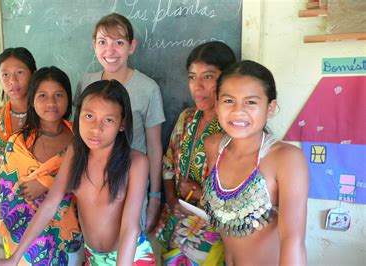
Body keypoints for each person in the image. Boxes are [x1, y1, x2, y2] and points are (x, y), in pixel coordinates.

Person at [0, 80, 156, 265]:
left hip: (130, 258)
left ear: (122, 124)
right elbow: (49, 205)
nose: (96, 128)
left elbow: (130, 227)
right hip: (92, 258)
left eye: (109, 120)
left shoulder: (136, 163)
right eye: (89, 116)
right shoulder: (75, 153)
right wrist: (12, 260)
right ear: (78, 116)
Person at [202, 60, 308, 265]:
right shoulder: (214, 146)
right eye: (228, 101)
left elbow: (292, 242)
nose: (238, 111)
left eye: (250, 102)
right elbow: (228, 205)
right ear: (216, 104)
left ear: (270, 107)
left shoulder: (286, 159)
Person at [75, 13, 165, 233]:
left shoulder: (147, 88)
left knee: (128, 239)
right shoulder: (86, 83)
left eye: (119, 43)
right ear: (93, 45)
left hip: (130, 184)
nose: (110, 50)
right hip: (91, 183)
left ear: (131, 46)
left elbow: (154, 146)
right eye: (103, 42)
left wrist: (154, 196)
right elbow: (77, 138)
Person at [154, 41, 235, 265]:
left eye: (208, 77)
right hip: (176, 223)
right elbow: (168, 161)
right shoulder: (187, 117)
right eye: (192, 77)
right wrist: (171, 199)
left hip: (213, 231)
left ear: (227, 78)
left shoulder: (233, 126)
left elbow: (243, 189)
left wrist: (200, 194)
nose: (197, 86)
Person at [0, 66, 83, 265]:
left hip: (70, 237)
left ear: (68, 99)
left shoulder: (82, 139)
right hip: (26, 241)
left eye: (58, 95)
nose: (51, 102)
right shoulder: (17, 143)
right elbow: (9, 194)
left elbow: (90, 182)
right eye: (42, 95)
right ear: (32, 101)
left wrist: (47, 183)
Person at [0, 47, 36, 234]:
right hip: (10, 206)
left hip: (45, 203)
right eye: (5, 74)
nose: (12, 81)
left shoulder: (45, 115)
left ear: (33, 74)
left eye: (20, 73)